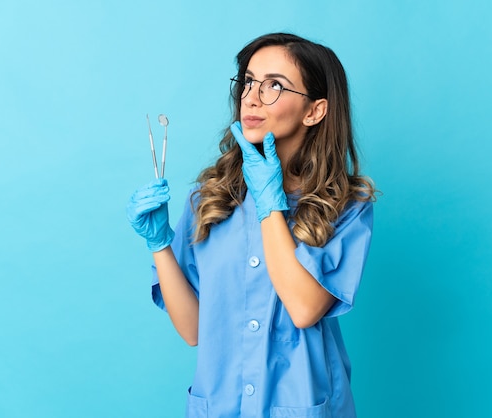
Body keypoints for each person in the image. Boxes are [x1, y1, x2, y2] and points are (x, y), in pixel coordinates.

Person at [126, 32, 376, 418]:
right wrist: (159, 245)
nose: (252, 97)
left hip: (301, 403)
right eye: (247, 81)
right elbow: (194, 330)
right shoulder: (209, 200)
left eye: (274, 85)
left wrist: (269, 204)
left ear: (315, 110)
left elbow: (305, 309)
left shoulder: (347, 206)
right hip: (221, 404)